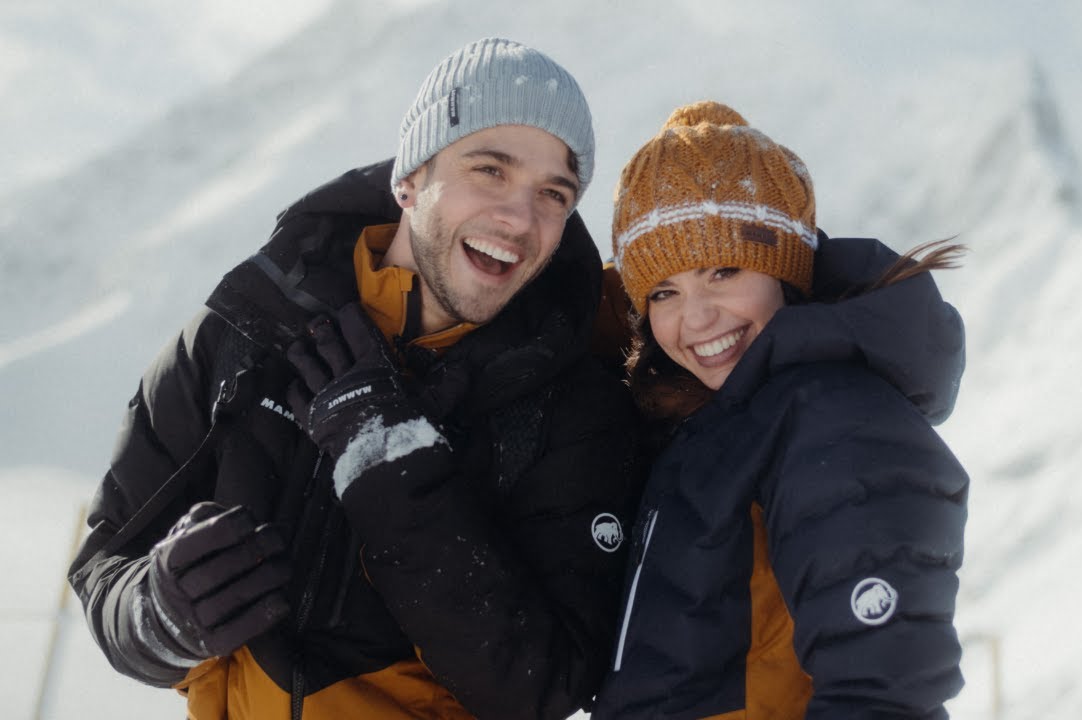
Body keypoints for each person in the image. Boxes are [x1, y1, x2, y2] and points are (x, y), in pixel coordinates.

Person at [68, 38, 642, 720]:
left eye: (554, 193)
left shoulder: (576, 407)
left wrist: (391, 466)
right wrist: (156, 617)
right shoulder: (250, 329)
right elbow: (107, 563)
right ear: (410, 178)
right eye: (489, 170)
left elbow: (544, 686)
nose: (520, 220)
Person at [591, 101, 970, 718]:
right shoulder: (717, 426)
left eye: (723, 271)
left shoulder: (837, 422)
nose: (696, 318)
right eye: (664, 292)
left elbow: (882, 694)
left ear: (786, 272)